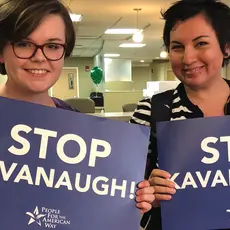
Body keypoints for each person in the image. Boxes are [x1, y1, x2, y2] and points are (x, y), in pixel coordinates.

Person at [0, 0, 154, 216]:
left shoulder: (84, 132)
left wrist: (128, 205)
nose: (39, 57)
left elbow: (90, 211)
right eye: (24, 44)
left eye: (53, 46)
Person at [130, 0, 230, 229]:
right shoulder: (151, 111)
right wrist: (148, 194)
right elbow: (124, 190)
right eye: (177, 47)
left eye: (201, 43)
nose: (188, 58)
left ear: (226, 47)